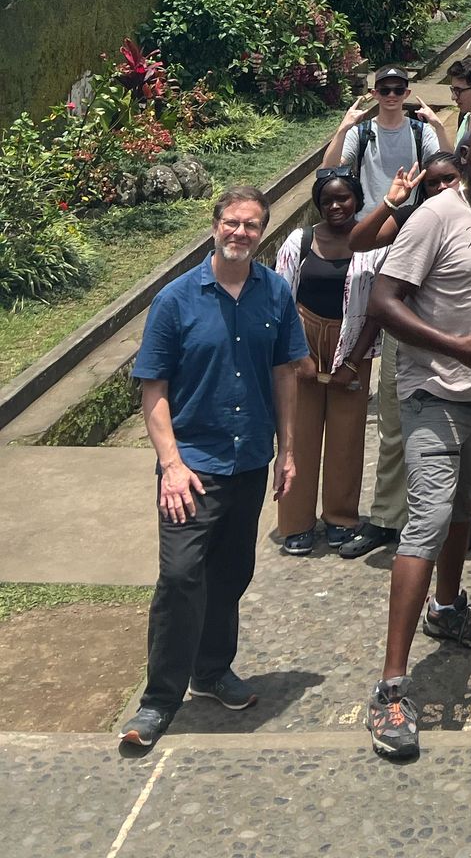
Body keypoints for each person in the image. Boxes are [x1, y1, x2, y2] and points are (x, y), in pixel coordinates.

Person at [364, 122, 471, 762]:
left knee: (463, 510)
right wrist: (456, 347)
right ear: (463, 157)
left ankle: (448, 606)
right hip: (433, 390)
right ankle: (390, 686)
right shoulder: (434, 216)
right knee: (430, 519)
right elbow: (384, 300)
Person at [120, 187, 308, 751]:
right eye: (232, 223)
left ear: (263, 232)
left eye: (252, 226)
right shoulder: (175, 300)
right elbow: (153, 389)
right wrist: (171, 466)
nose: (240, 233)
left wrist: (289, 450)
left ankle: (212, 670)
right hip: (192, 466)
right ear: (214, 226)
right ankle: (158, 701)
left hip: (248, 458)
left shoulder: (274, 293)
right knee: (180, 578)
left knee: (230, 575)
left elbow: (285, 375)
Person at [338, 152, 461, 560]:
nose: (443, 188)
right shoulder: (411, 218)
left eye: (451, 179)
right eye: (434, 183)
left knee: (454, 433)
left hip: (456, 340)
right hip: (404, 337)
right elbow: (357, 243)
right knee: (393, 430)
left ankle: (451, 522)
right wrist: (391, 202)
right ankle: (388, 517)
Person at [273, 170, 383, 555]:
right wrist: (294, 355)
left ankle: (340, 517)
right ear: (318, 204)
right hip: (303, 343)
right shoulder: (300, 241)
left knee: (347, 437)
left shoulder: (374, 243)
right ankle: (295, 522)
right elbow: (279, 300)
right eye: (328, 201)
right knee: (298, 436)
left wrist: (354, 361)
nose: (336, 206)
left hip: (353, 345)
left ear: (358, 200)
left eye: (344, 199)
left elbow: (379, 306)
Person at [321, 68, 450, 211]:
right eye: (385, 90)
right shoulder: (359, 132)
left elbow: (449, 166)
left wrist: (439, 127)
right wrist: (342, 130)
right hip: (367, 221)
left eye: (398, 90)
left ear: (407, 94)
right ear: (374, 93)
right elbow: (329, 170)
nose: (392, 95)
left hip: (409, 219)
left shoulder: (421, 131)